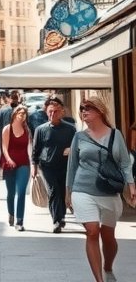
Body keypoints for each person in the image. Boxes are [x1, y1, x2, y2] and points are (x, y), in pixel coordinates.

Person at [66, 97, 136, 282]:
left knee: (108, 236)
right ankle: (99, 279)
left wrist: (131, 184)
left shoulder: (115, 135)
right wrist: (68, 193)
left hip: (109, 192)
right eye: (82, 109)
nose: (84, 112)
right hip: (82, 190)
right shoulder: (79, 137)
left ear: (100, 111)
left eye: (88, 108)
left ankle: (108, 265)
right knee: (92, 231)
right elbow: (72, 167)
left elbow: (125, 163)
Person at [32, 96, 76, 232]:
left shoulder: (70, 129)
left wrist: (71, 150)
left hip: (65, 166)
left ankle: (61, 216)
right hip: (47, 167)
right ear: (46, 112)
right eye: (50, 111)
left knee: (62, 192)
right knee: (53, 192)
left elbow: (77, 147)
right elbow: (35, 150)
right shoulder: (40, 129)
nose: (52, 114)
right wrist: (33, 167)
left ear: (62, 112)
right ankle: (56, 220)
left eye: (56, 111)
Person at [0, 104, 31, 231]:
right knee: (11, 193)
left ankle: (20, 221)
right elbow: (4, 147)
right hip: (10, 164)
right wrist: (8, 159)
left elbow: (29, 147)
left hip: (24, 163)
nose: (22, 115)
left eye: (24, 114)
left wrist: (33, 164)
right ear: (15, 114)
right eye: (20, 113)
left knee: (22, 192)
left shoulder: (27, 130)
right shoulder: (7, 129)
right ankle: (11, 213)